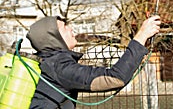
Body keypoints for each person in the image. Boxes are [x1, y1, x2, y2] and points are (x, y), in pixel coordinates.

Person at [27, 14, 161, 109]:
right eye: (64, 28)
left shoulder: (47, 62)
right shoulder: (58, 66)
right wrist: (142, 35)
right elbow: (115, 78)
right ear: (53, 38)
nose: (71, 29)